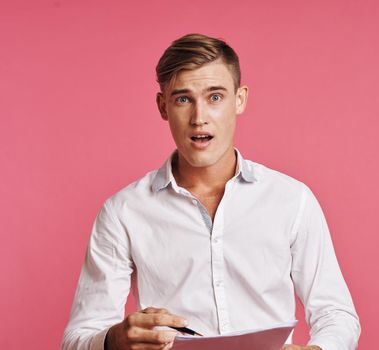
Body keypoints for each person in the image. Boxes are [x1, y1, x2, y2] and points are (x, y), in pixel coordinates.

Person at [61, 33, 361, 350]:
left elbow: (336, 314)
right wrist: (113, 341)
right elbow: (77, 338)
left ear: (240, 99)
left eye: (214, 97)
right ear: (163, 106)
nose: (199, 118)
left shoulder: (292, 199)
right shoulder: (124, 211)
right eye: (183, 99)